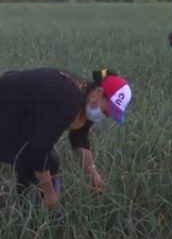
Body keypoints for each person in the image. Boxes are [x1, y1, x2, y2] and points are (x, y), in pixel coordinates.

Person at [0, 68, 132, 210]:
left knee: (48, 161)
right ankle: (28, 213)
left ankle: (37, 210)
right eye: (107, 112)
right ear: (99, 93)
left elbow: (79, 138)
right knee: (37, 162)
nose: (105, 116)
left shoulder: (88, 98)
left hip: (18, 114)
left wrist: (93, 174)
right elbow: (38, 149)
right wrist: (49, 192)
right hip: (7, 109)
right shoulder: (69, 101)